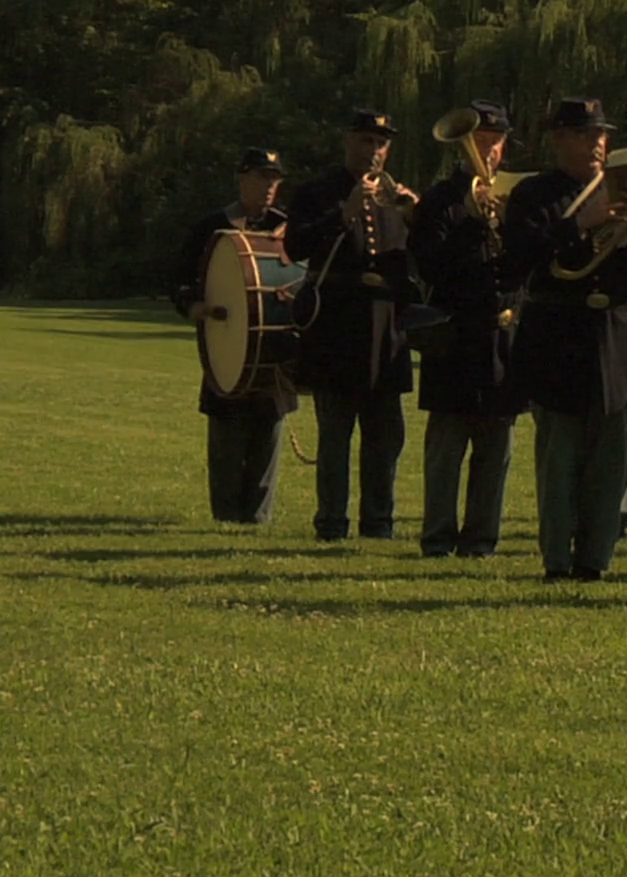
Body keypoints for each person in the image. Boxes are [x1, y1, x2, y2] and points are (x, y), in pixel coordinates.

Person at [497, 96, 627, 582]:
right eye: (586, 135)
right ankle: (557, 559)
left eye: (601, 135)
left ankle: (595, 558)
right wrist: (581, 224)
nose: (598, 143)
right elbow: (518, 258)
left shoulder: (624, 191)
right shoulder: (535, 195)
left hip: (615, 337)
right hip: (558, 335)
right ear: (559, 139)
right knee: (559, 458)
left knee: (609, 459)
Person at [283, 109, 415, 542]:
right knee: (335, 434)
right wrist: (345, 212)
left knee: (386, 435)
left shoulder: (396, 197)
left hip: (385, 326)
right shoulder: (317, 192)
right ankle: (331, 521)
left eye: (381, 144)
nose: (373, 151)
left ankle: (379, 522)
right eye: (366, 141)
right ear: (348, 141)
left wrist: (417, 217)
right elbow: (295, 246)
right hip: (336, 324)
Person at [408, 99, 524, 558]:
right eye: (480, 141)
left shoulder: (515, 197)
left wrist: (506, 224)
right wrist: (473, 224)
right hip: (455, 335)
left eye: (495, 142)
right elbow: (429, 266)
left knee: (496, 450)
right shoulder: (440, 200)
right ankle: (438, 537)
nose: (488, 150)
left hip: (501, 336)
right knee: (446, 449)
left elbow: (525, 262)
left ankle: (480, 539)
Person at [171, 146, 297, 524]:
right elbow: (178, 280)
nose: (270, 186)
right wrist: (194, 307)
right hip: (227, 345)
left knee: (268, 429)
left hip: (273, 348)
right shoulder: (212, 226)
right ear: (243, 179)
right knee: (227, 431)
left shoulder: (289, 228)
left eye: (275, 179)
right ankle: (226, 514)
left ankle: (258, 516)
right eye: (262, 177)